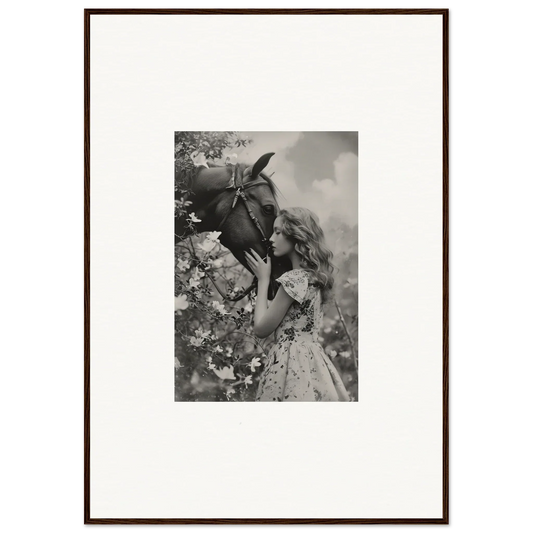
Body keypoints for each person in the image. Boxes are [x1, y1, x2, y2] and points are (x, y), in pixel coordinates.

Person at [244, 207, 350, 401]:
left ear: (296, 235)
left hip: (289, 363)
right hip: (313, 362)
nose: (271, 239)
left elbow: (260, 329)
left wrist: (263, 280)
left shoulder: (293, 280)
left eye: (277, 232)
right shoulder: (314, 279)